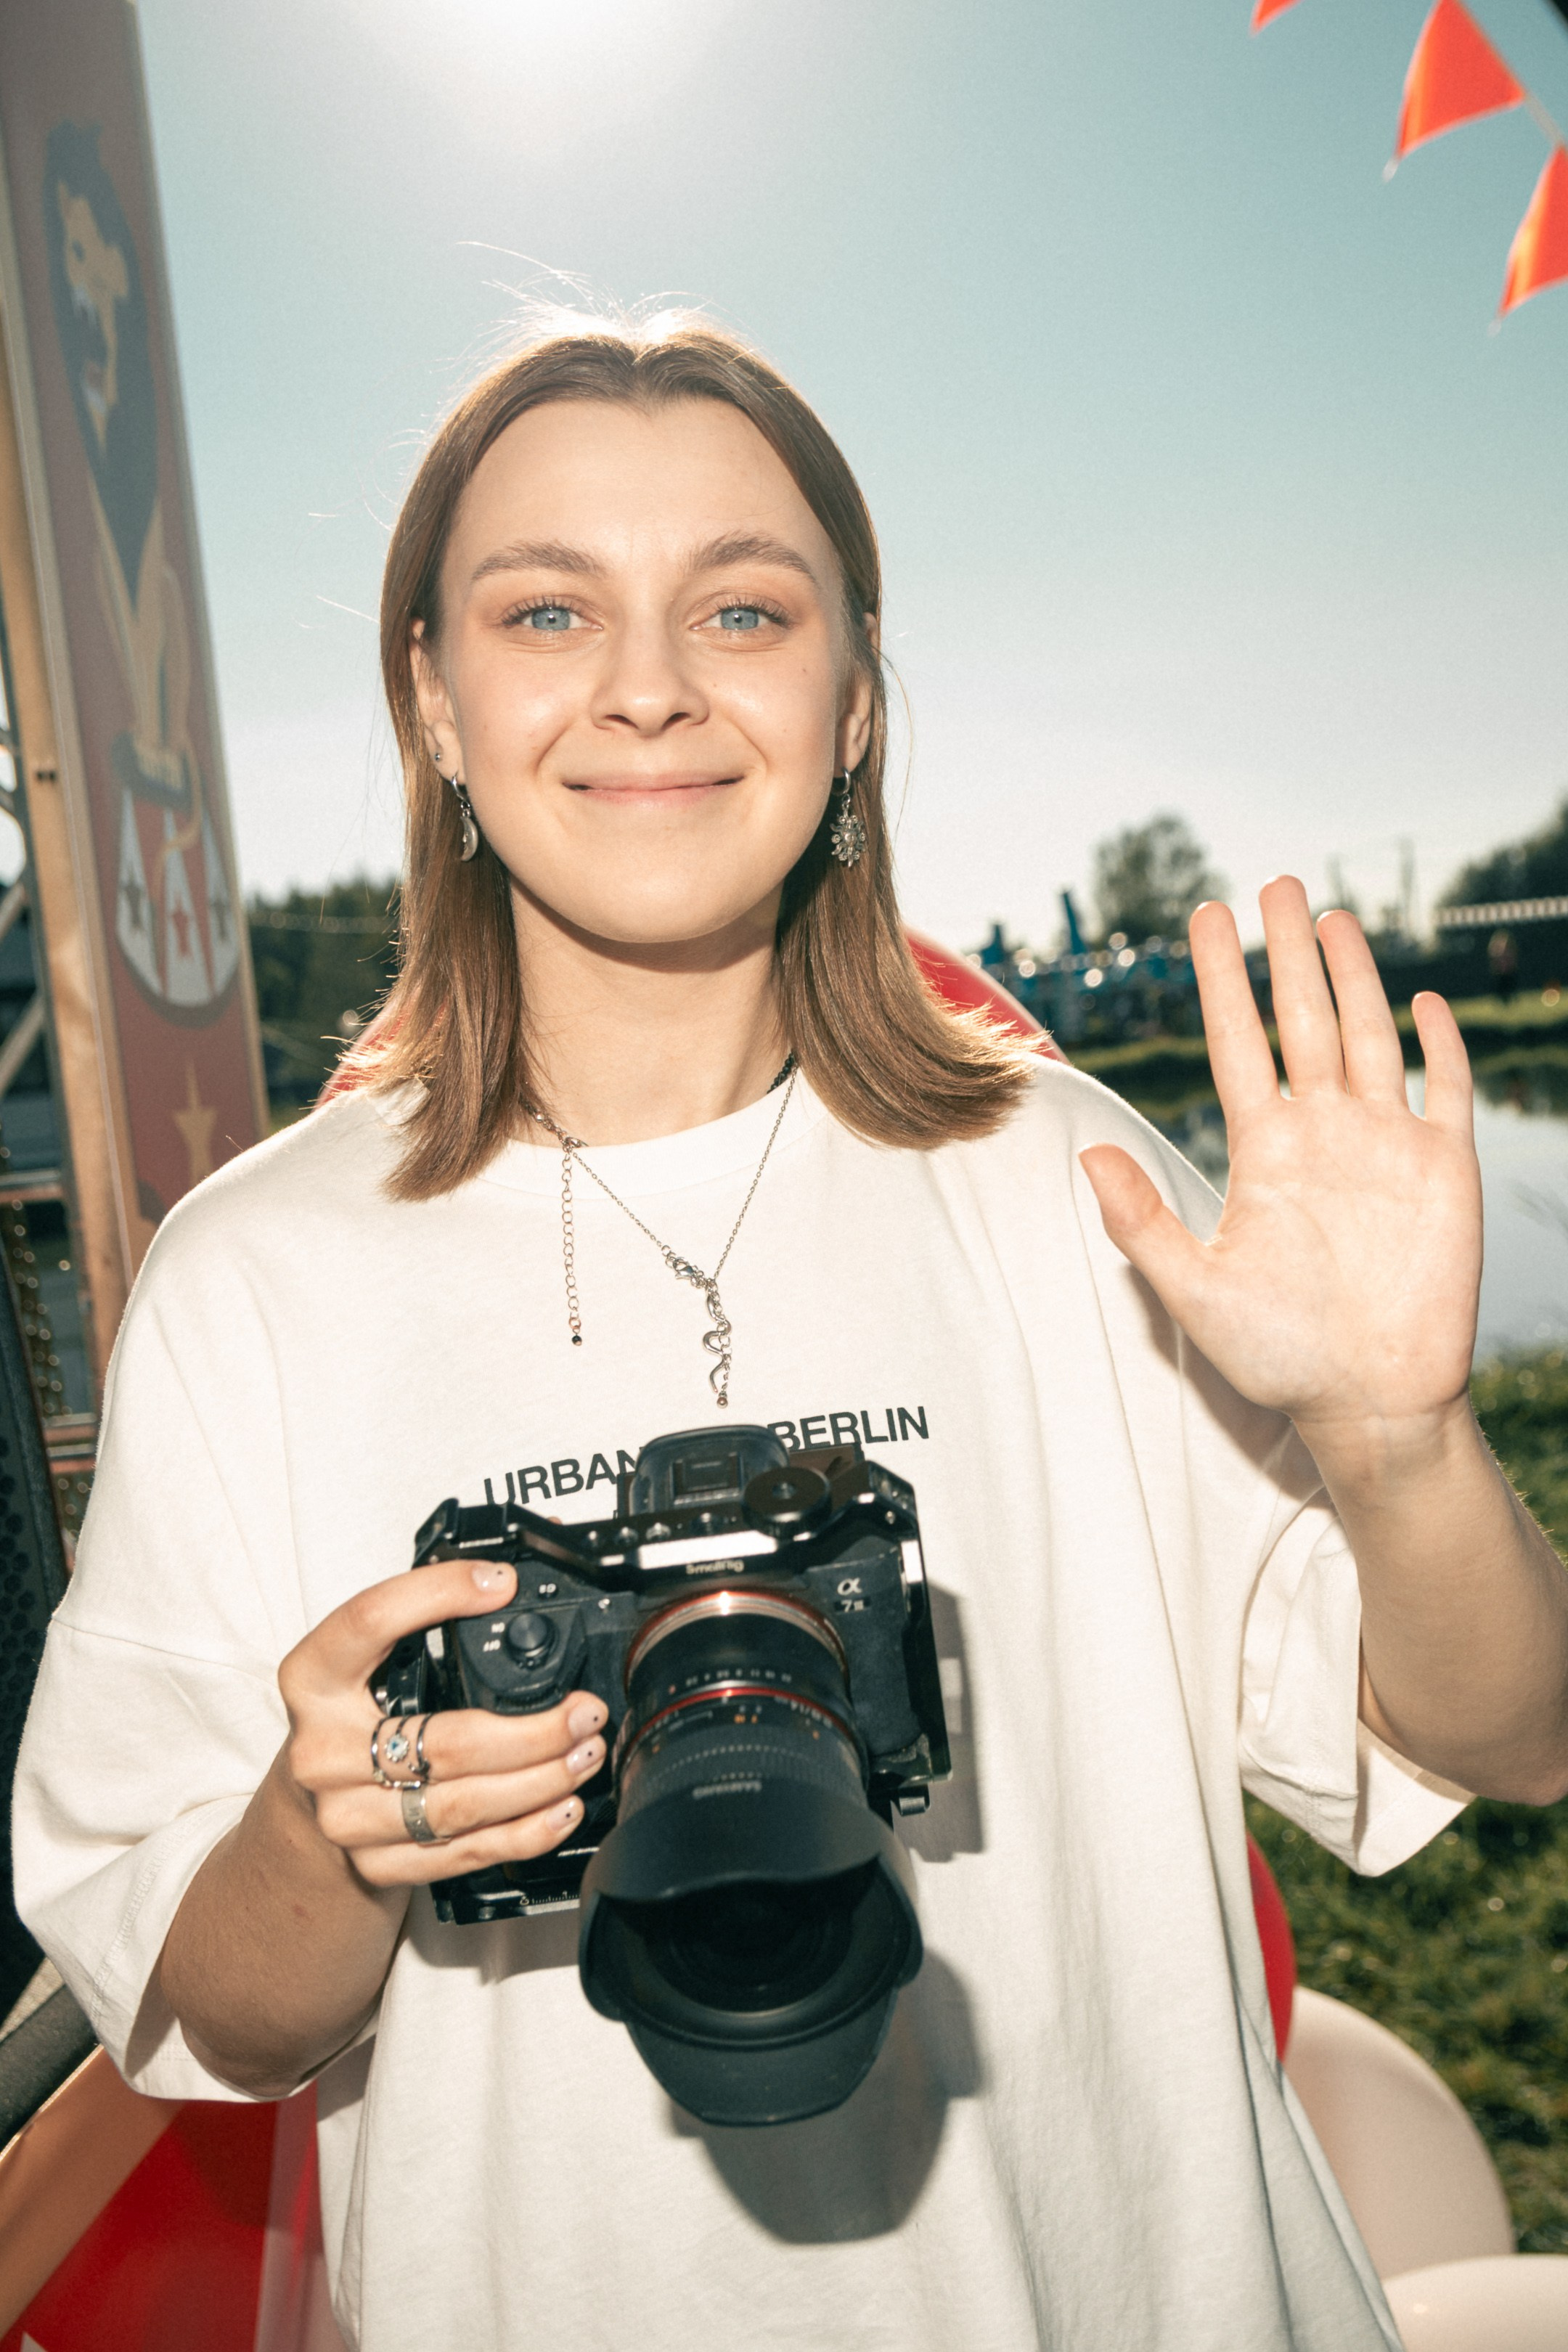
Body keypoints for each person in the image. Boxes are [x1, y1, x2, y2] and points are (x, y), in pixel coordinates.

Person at [15, 320, 1568, 2352]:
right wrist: (334, 1831)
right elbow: (215, 2015)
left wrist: (1399, 1441)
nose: (646, 682)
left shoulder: (1065, 1180)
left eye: (743, 606)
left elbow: (1510, 1736)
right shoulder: (256, 1283)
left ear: (852, 704)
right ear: (433, 699)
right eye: (547, 606)